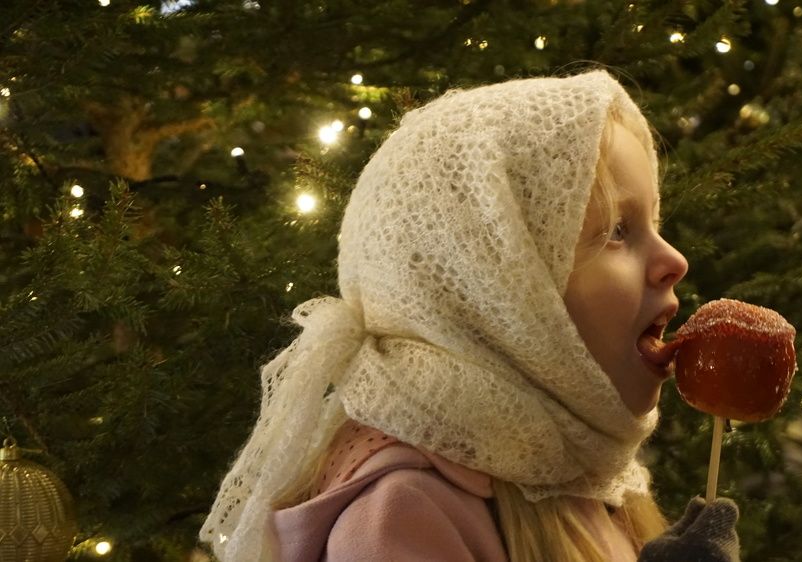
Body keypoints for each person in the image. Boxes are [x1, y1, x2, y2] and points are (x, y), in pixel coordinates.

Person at [198, 71, 741, 562]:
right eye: (619, 230)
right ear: (500, 291)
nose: (675, 260)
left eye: (654, 222)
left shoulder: (583, 479)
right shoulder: (399, 516)